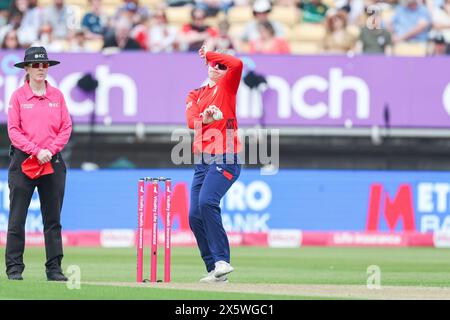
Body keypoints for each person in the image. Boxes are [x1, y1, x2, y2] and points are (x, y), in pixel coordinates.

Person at [6, 46, 72, 281]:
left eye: (44, 65)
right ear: (27, 68)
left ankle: (54, 269)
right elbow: (13, 131)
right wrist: (36, 151)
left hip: (51, 162)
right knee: (17, 219)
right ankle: (14, 269)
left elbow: (66, 127)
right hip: (24, 162)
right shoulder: (18, 97)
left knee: (52, 220)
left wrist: (50, 150)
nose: (41, 69)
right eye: (36, 65)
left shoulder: (57, 96)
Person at [185, 44, 243, 283]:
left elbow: (237, 64)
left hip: (226, 155)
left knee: (208, 202)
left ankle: (222, 261)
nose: (217, 68)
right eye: (213, 65)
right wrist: (204, 118)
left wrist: (209, 54)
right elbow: (191, 122)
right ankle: (214, 269)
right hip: (202, 160)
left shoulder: (228, 85)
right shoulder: (195, 93)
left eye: (221, 66)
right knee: (194, 216)